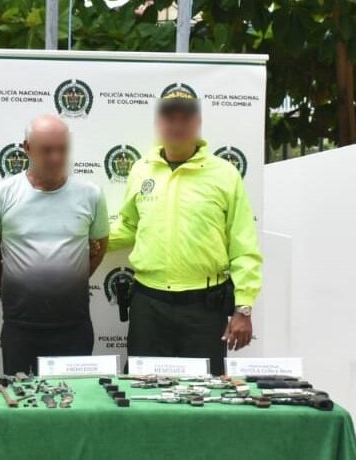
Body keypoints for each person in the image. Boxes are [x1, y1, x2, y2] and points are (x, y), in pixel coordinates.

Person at [108, 86, 263, 374]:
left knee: (205, 397)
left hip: (204, 308)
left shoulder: (224, 174)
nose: (177, 125)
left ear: (197, 123)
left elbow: (243, 245)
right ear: (159, 124)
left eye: (185, 118)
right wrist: (86, 240)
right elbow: (128, 227)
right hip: (149, 304)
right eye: (170, 118)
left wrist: (243, 308)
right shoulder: (142, 170)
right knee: (143, 394)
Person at [0, 114, 110, 375]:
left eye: (62, 149)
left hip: (74, 325)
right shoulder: (0, 194)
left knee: (74, 404)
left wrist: (71, 276)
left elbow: (98, 247)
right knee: (22, 407)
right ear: (27, 148)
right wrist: (11, 280)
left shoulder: (91, 194)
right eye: (47, 150)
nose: (56, 158)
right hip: (19, 327)